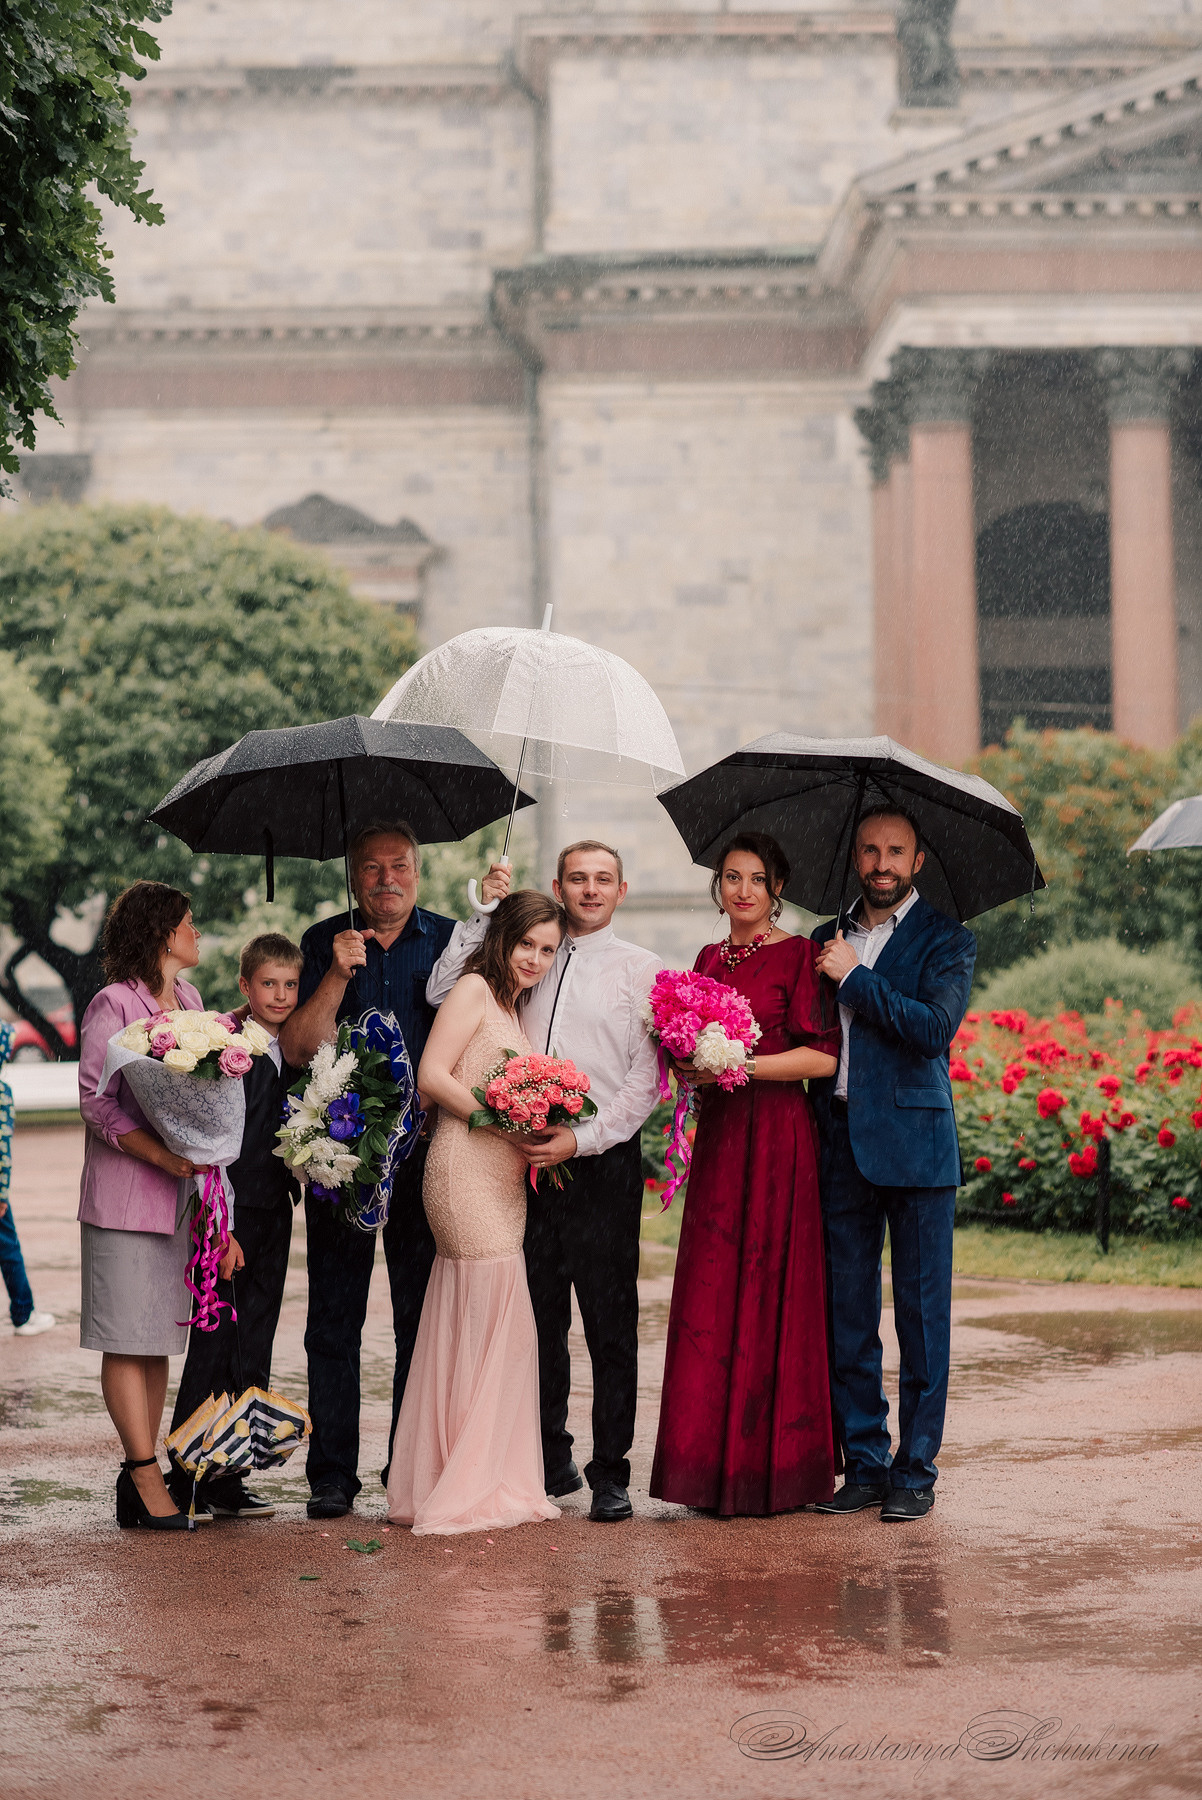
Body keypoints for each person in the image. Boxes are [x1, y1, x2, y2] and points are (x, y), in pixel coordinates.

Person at [428, 840, 661, 1523]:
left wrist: (579, 1139)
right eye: (578, 879)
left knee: (610, 1324)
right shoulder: (525, 959)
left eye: (603, 880)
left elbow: (645, 1084)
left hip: (602, 1164)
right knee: (539, 1319)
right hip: (519, 1164)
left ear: (622, 889)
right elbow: (444, 991)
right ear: (558, 885)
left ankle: (610, 1472)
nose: (590, 889)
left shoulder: (642, 971)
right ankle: (548, 1459)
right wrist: (485, 911)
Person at [649, 833, 841, 1516]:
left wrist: (741, 1066)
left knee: (771, 1288)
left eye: (757, 879)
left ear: (777, 887)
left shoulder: (799, 956)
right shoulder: (706, 959)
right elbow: (689, 1046)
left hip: (779, 1138)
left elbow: (822, 1060)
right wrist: (683, 1058)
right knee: (715, 1288)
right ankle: (705, 1470)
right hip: (724, 1137)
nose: (743, 891)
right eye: (731, 877)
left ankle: (778, 1472)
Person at [280, 822, 455, 1521]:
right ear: (353, 877)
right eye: (372, 868)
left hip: (421, 1162)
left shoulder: (447, 942)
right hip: (341, 1162)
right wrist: (334, 972)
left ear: (418, 871)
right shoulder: (324, 938)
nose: (388, 879)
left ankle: (408, 1467)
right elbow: (296, 1048)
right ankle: (332, 1477)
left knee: (418, 1320)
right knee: (333, 1320)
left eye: (400, 866)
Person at [811, 807, 976, 1522]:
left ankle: (916, 1471)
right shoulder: (824, 936)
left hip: (916, 1150)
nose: (882, 863)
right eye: (871, 850)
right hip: (839, 1143)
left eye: (896, 852)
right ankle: (867, 1464)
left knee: (920, 1320)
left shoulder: (949, 940)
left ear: (918, 862)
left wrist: (855, 981)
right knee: (847, 1315)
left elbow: (931, 1030)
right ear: (856, 857)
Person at [388, 890, 565, 1534]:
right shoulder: (470, 989)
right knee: (487, 1306)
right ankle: (466, 1479)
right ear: (501, 937)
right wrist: (502, 1121)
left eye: (548, 950)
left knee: (488, 1314)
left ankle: (471, 1469)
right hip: (464, 1167)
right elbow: (431, 1076)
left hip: (505, 1173)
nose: (536, 960)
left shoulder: (513, 1006)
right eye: (526, 945)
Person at [77, 881, 207, 1533]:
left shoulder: (190, 998)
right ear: (162, 933)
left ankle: (142, 1475)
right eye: (189, 922)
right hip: (126, 1193)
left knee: (155, 1337)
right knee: (126, 1338)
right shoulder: (112, 1002)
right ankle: (141, 1472)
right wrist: (162, 1155)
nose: (197, 932)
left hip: (176, 1198)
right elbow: (95, 1101)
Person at [166, 932, 304, 1522]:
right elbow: (215, 1145)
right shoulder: (230, 1050)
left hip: (273, 1212)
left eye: (290, 985)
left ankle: (228, 1477)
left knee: (255, 1342)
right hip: (233, 1217)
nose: (281, 995)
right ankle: (186, 1474)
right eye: (268, 984)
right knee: (217, 1343)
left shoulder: (285, 1047)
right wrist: (223, 1229)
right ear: (245, 985)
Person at [0, 1020, 56, 1338]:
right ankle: (24, 1313)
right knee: (9, 1250)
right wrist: (2, 1194)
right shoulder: (2, 1093)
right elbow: (2, 1150)